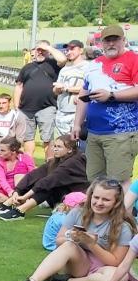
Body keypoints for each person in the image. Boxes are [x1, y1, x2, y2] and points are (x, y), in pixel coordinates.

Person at [13, 178, 135, 281]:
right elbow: (59, 241)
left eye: (106, 200)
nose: (99, 203)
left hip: (104, 268)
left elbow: (115, 262)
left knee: (119, 279)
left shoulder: (122, 227)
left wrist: (92, 244)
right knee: (68, 245)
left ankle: (66, 280)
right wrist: (72, 237)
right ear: (90, 196)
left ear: (116, 202)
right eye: (96, 197)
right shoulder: (78, 212)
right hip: (79, 263)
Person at [72, 25, 138, 183]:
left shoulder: (134, 60)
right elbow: (84, 94)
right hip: (94, 132)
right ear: (101, 43)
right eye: (107, 40)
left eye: (115, 39)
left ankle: (124, 202)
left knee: (118, 182)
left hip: (121, 133)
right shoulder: (94, 64)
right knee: (94, 180)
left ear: (123, 40)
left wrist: (112, 95)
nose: (111, 44)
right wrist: (77, 124)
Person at [0, 135, 88, 220]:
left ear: (70, 150)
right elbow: (34, 174)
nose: (55, 149)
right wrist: (17, 191)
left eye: (59, 147)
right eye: (54, 146)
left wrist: (25, 197)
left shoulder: (73, 163)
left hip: (76, 200)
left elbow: (49, 181)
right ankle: (7, 204)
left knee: (48, 185)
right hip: (61, 195)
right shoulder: (57, 160)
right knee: (36, 178)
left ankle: (20, 211)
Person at [13, 40, 66, 155]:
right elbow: (19, 86)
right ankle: (29, 164)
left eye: (43, 50)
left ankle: (49, 163)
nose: (40, 52)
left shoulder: (53, 64)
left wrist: (48, 48)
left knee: (47, 139)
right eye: (38, 50)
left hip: (46, 107)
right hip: (26, 109)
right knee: (27, 139)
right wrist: (16, 106)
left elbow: (63, 59)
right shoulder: (27, 67)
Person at [0, 136, 34, 202]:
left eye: (3, 150)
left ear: (13, 151)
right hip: (5, 190)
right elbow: (1, 179)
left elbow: (32, 175)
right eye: (0, 150)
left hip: (22, 188)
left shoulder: (25, 158)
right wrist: (10, 191)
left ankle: (16, 198)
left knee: (21, 165)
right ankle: (11, 200)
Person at [52, 40, 88, 138]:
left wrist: (66, 88)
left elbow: (89, 88)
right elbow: (56, 91)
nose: (69, 52)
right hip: (61, 112)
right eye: (67, 50)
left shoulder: (88, 67)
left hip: (77, 113)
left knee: (76, 143)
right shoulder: (64, 69)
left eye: (72, 49)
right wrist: (57, 89)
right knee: (61, 143)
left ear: (81, 50)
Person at [0, 93, 33, 165]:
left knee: (23, 163)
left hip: (11, 151)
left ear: (10, 103)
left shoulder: (18, 117)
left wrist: (9, 152)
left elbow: (19, 139)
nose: (1, 106)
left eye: (4, 103)